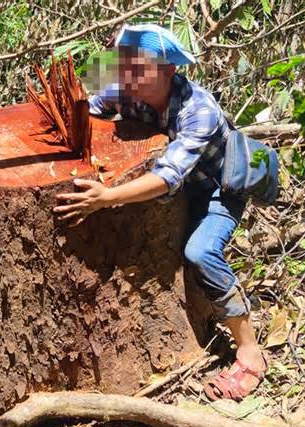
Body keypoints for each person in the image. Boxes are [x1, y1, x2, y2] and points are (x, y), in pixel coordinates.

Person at [53, 23, 267, 401]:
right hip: (178, 188)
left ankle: (250, 351)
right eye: (124, 66)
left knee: (199, 253)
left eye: (139, 68)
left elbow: (168, 177)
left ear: (169, 71)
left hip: (215, 190)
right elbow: (87, 102)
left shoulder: (199, 110)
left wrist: (106, 196)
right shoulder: (126, 90)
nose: (128, 76)